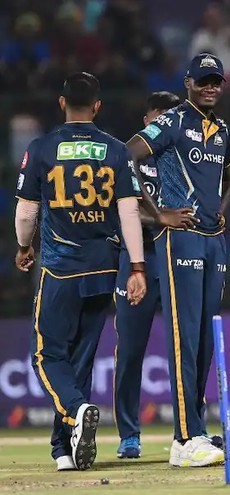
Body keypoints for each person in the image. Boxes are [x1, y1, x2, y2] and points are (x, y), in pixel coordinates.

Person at [14, 72, 147, 471]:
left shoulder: (42, 148)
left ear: (61, 103)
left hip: (60, 268)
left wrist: (24, 246)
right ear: (97, 106)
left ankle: (75, 410)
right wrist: (136, 267)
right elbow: (129, 213)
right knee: (81, 359)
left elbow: (27, 212)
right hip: (103, 268)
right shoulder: (116, 150)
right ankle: (64, 448)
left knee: (46, 355)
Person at [126, 53, 230, 467]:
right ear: (188, 82)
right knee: (184, 336)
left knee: (205, 339)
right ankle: (185, 437)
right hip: (181, 238)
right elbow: (127, 155)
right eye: (203, 80)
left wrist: (221, 209)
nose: (210, 87)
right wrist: (158, 214)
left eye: (216, 81)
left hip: (213, 240)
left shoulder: (222, 130)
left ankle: (195, 430)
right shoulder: (172, 120)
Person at [114, 91, 182, 459]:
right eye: (160, 118)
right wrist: (160, 218)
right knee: (130, 349)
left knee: (186, 347)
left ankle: (191, 430)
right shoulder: (127, 159)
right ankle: (129, 434)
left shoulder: (182, 158)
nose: (165, 125)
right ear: (147, 121)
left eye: (172, 119)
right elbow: (122, 210)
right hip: (137, 258)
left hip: (176, 257)